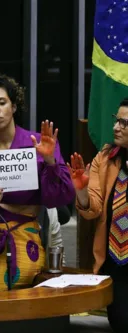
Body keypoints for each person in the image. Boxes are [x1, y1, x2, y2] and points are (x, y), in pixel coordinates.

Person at [0, 72, 75, 292]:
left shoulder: (38, 144)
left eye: (2, 102)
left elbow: (61, 197)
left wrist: (50, 162)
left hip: (26, 240)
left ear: (14, 106)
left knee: (26, 306)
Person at [69, 98, 128, 333]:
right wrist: (81, 189)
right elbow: (92, 210)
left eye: (124, 123)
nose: (116, 127)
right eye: (117, 120)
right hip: (116, 264)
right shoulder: (105, 159)